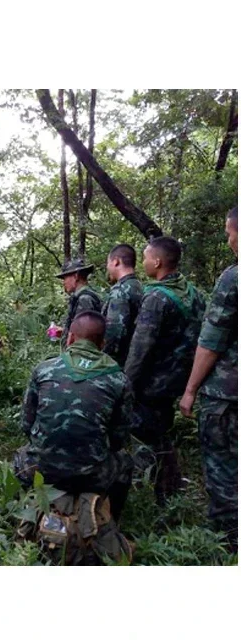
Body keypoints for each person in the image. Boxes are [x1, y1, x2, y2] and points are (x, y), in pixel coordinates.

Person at [15, 311, 133, 522]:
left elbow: (26, 424)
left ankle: (23, 515)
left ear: (69, 338)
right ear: (102, 343)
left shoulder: (43, 370)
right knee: (125, 463)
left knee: (20, 458)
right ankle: (111, 522)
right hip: (92, 476)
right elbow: (119, 439)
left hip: (41, 470)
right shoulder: (119, 380)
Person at [125, 236, 205, 503]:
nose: (144, 261)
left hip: (153, 383)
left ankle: (148, 494)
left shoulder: (156, 298)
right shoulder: (192, 292)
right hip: (180, 380)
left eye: (146, 257)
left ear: (157, 262)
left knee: (143, 436)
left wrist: (126, 385)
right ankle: (171, 486)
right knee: (161, 430)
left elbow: (140, 349)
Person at [180, 206, 238, 551]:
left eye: (230, 232)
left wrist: (190, 390)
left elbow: (212, 340)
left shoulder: (233, 278)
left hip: (228, 394)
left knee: (223, 465)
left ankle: (227, 542)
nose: (228, 239)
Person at [102, 244, 143, 367]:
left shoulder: (120, 291)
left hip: (119, 363)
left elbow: (114, 333)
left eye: (108, 263)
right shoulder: (140, 286)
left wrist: (103, 360)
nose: (107, 267)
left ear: (116, 262)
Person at [52, 258, 102, 347]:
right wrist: (64, 332)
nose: (64, 282)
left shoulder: (85, 299)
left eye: (65, 278)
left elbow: (84, 335)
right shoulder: (79, 298)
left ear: (76, 276)